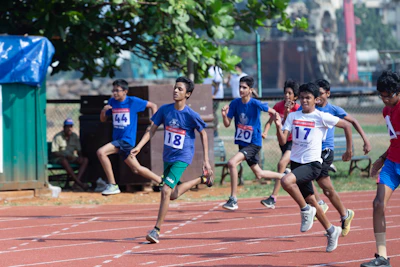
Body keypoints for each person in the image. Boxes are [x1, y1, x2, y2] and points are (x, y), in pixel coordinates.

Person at [131, 77, 214, 244]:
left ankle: (156, 230)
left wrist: (206, 160)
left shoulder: (191, 115)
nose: (176, 91)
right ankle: (202, 179)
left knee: (165, 190)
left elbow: (203, 133)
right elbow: (151, 129)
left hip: (183, 157)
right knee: (173, 194)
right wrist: (139, 146)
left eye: (180, 89)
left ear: (188, 94)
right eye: (175, 88)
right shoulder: (165, 110)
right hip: (167, 156)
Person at [275, 82, 353, 252]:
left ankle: (305, 210)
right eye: (302, 97)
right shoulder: (293, 116)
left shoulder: (321, 116)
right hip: (297, 162)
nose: (304, 100)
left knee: (286, 181)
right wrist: (278, 124)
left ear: (316, 100)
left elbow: (347, 125)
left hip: (313, 163)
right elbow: (282, 141)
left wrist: (349, 150)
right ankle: (332, 230)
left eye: (308, 98)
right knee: (311, 199)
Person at [310, 78, 371, 236]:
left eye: (321, 93)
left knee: (316, 179)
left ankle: (321, 204)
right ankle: (345, 214)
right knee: (327, 188)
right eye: (315, 93)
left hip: (326, 151)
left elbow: (352, 122)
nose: (318, 96)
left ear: (328, 94)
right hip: (313, 151)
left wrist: (360, 143)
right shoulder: (312, 109)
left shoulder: (333, 110)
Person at [221, 76, 286, 210]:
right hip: (242, 143)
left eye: (244, 87)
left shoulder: (256, 103)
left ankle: (233, 199)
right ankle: (285, 176)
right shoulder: (235, 103)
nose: (241, 89)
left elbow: (274, 112)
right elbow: (227, 124)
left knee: (232, 163)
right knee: (259, 173)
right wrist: (223, 115)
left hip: (254, 143)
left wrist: (274, 124)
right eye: (240, 87)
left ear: (251, 90)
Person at [360, 71, 400, 267]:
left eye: (389, 95)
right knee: (378, 204)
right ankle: (382, 257)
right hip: (393, 163)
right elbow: (395, 140)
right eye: (381, 95)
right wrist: (381, 159)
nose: (385, 99)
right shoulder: (386, 112)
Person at [97, 79, 161, 195]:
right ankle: (162, 182)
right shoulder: (112, 102)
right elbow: (103, 119)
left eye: (117, 90)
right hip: (118, 140)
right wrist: (103, 111)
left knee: (101, 152)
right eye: (113, 90)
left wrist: (154, 121)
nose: (114, 93)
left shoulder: (133, 101)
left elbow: (153, 105)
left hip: (126, 140)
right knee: (137, 169)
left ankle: (112, 185)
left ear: (125, 91)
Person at [261, 79, 300, 209]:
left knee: (281, 164)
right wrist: (265, 131)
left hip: (294, 143)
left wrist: (288, 112)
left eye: (290, 93)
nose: (287, 95)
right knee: (299, 174)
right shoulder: (278, 106)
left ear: (295, 96)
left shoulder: (298, 110)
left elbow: (288, 128)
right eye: (285, 93)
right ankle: (317, 201)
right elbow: (270, 120)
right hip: (282, 142)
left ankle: (273, 197)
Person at [50, 118, 89, 191]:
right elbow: (54, 152)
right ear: (64, 127)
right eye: (67, 127)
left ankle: (76, 183)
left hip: (71, 157)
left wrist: (80, 157)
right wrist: (64, 155)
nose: (69, 129)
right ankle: (79, 183)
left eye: (71, 126)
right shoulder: (58, 136)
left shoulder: (74, 136)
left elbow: (79, 150)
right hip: (59, 158)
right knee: (64, 161)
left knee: (85, 160)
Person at [203, 66, 224, 137]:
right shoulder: (204, 68)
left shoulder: (216, 69)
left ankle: (215, 130)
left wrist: (214, 94)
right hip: (206, 95)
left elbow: (217, 83)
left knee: (213, 112)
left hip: (215, 96)